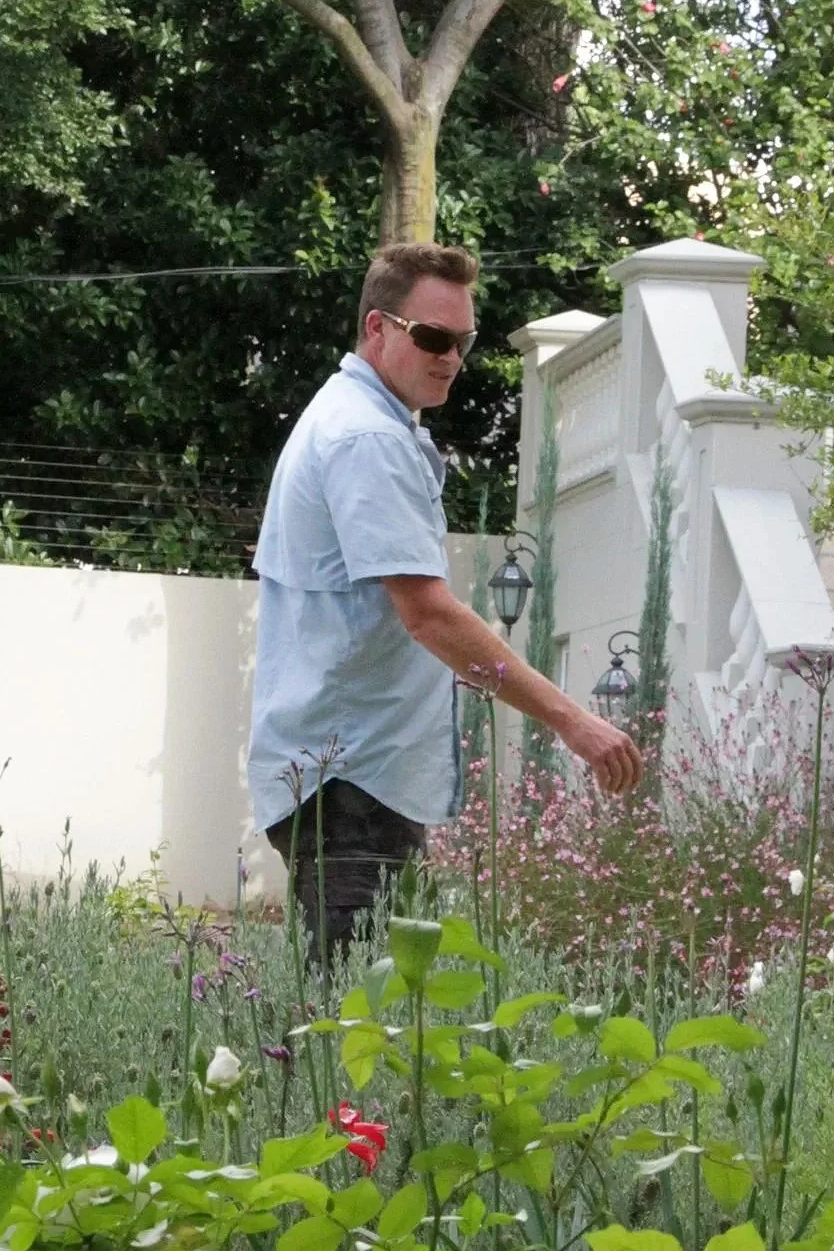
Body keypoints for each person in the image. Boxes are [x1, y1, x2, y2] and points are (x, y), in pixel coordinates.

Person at [249, 240, 641, 959]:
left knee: (362, 1022)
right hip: (349, 779)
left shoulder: (358, 419)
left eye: (463, 341)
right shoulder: (365, 438)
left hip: (346, 777)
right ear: (376, 328)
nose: (452, 359)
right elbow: (427, 613)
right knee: (353, 1026)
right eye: (432, 338)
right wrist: (573, 723)